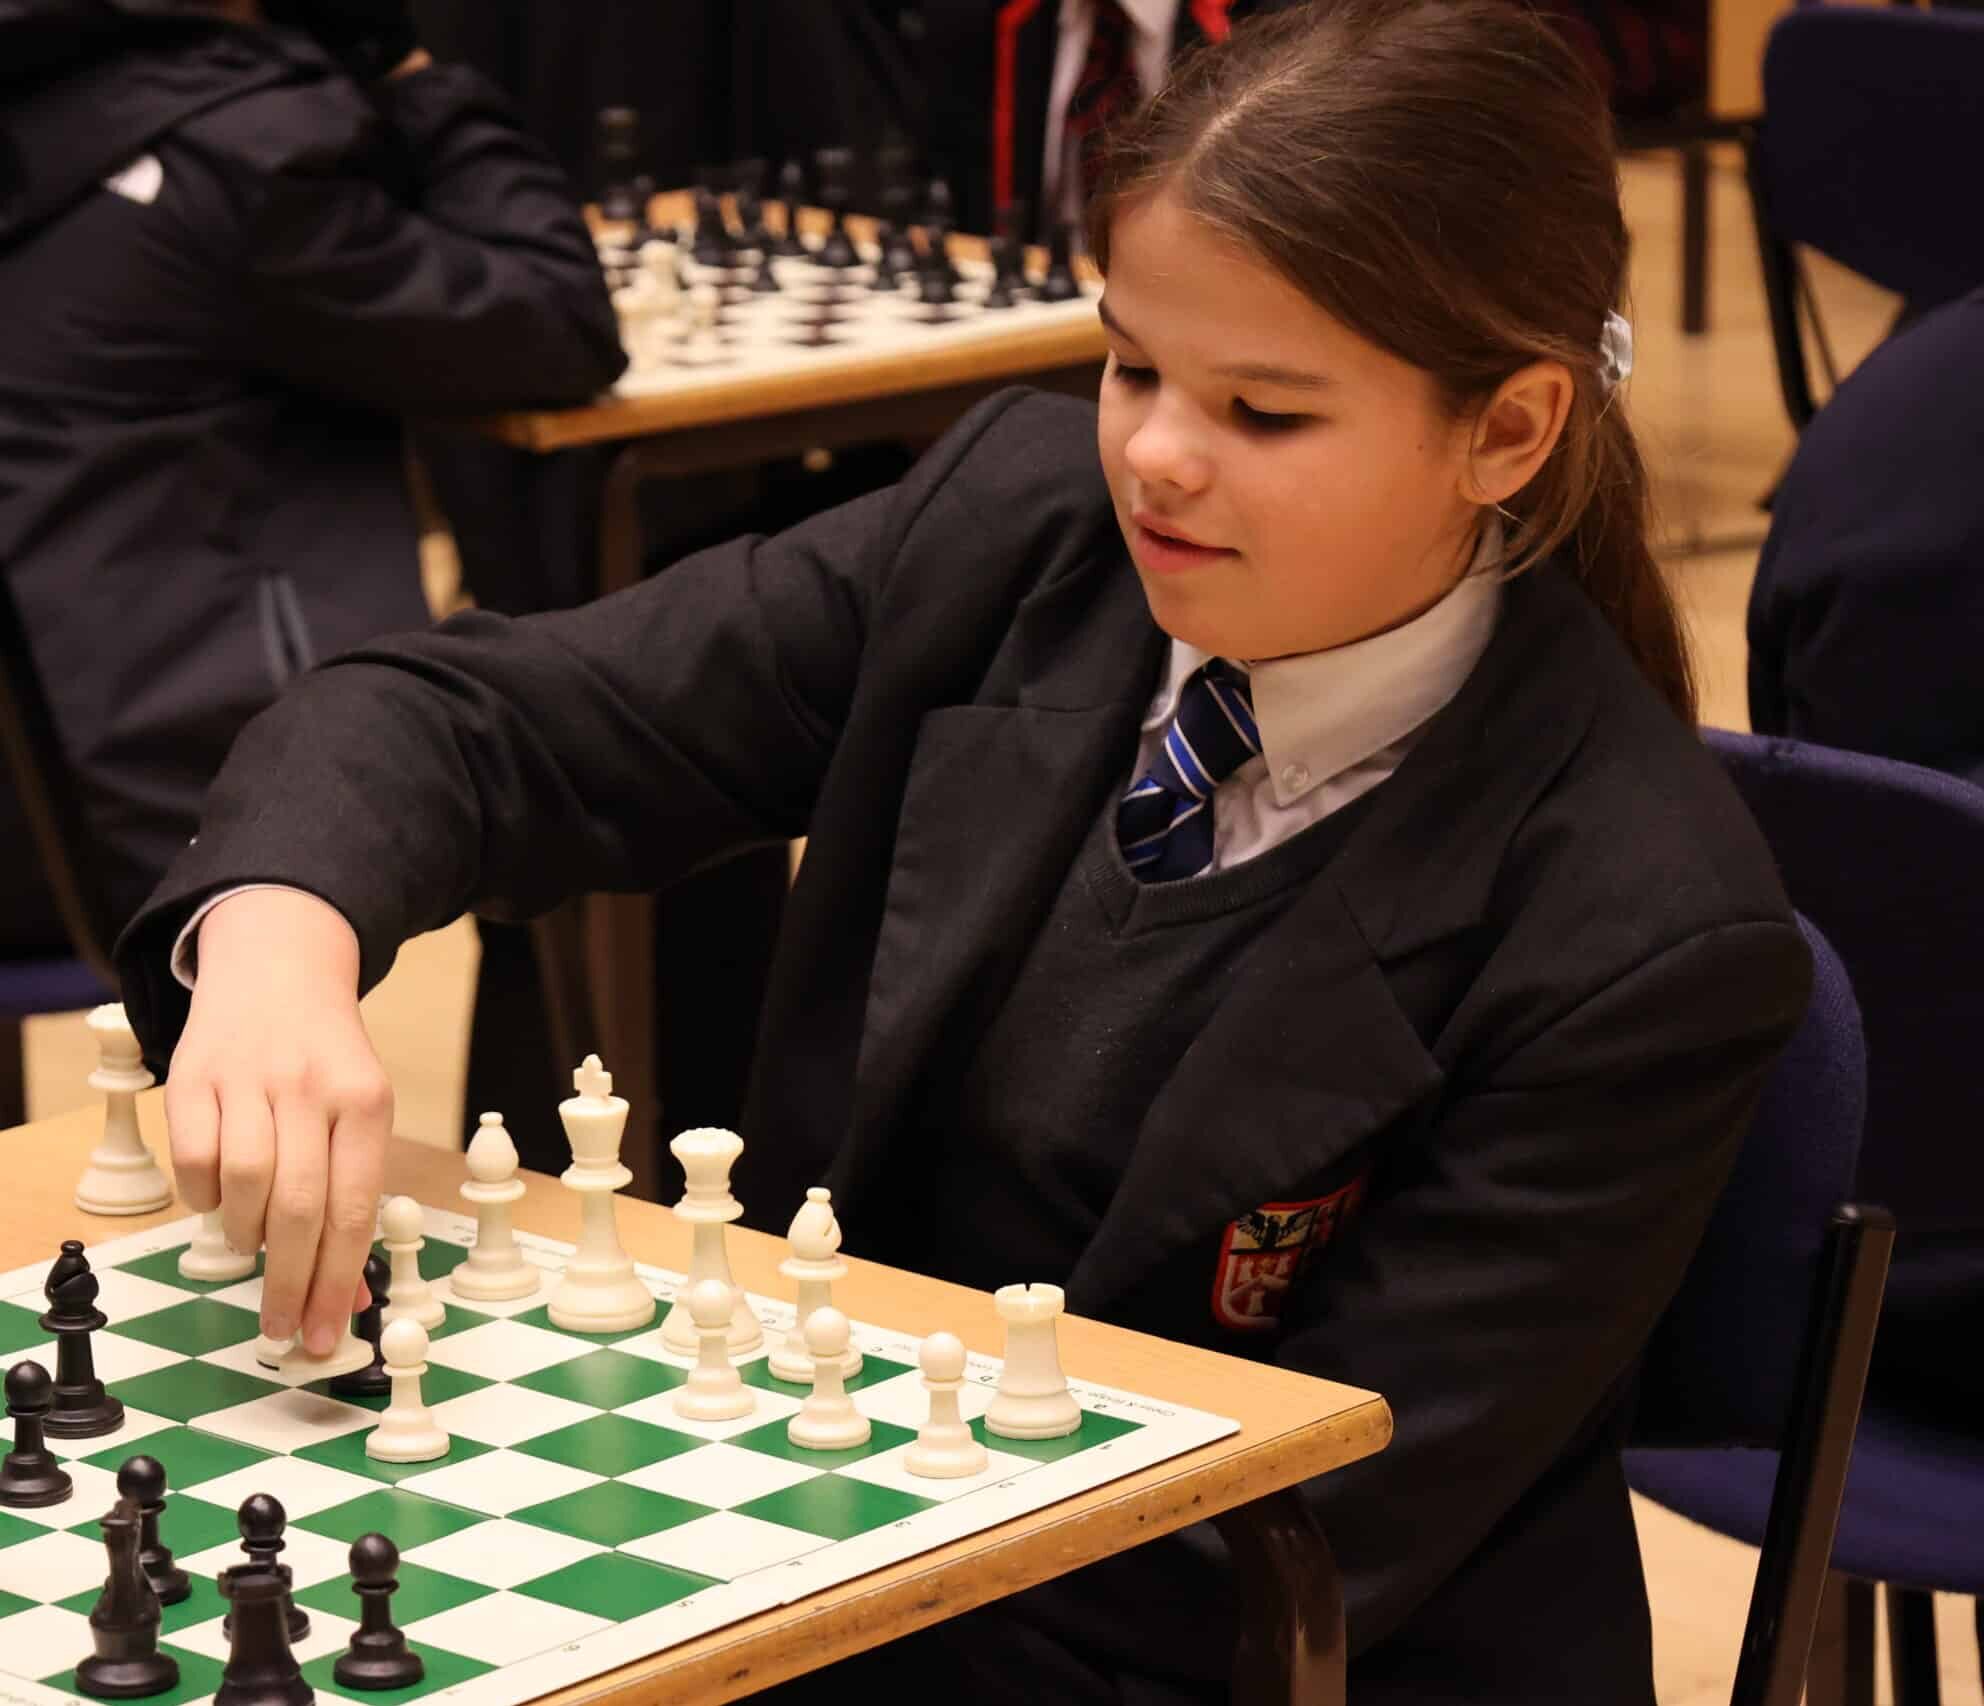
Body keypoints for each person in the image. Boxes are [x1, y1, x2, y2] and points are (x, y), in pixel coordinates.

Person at [115, 2, 1812, 1700]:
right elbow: (480, 717)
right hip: (832, 1550)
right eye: (1130, 361)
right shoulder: (1013, 532)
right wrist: (277, 931)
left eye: (1262, 412)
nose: (1152, 451)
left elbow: (1266, 1563)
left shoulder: (1637, 927)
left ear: (1506, 431)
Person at [0, 0, 625, 952]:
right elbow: (558, 324)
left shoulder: (55, 112)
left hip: (43, 783)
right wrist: (419, 79)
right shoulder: (240, 152)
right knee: (603, 767)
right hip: (189, 805)